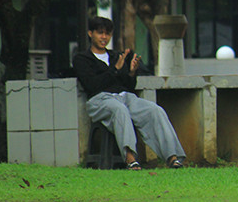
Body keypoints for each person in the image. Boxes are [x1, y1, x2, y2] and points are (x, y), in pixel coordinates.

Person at [74, 16, 186, 170]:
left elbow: (128, 85)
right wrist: (115, 70)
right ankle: (130, 159)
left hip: (125, 97)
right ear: (90, 33)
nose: (104, 37)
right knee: (120, 110)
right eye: (100, 33)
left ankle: (173, 157)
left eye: (107, 34)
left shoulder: (115, 56)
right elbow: (92, 85)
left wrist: (131, 73)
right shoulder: (82, 59)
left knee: (155, 110)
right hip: (100, 100)